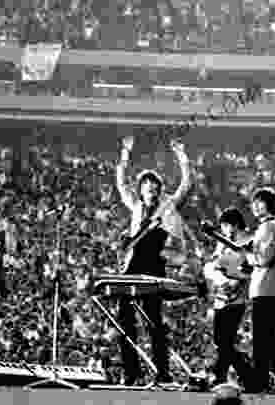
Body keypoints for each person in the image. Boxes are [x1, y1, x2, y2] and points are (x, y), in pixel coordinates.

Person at [115, 134, 191, 385]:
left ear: (159, 190)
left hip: (153, 267)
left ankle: (163, 373)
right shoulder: (135, 206)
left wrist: (181, 155)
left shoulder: (167, 205)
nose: (151, 191)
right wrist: (125, 156)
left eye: (155, 187)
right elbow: (121, 184)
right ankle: (131, 372)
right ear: (142, 190)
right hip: (132, 266)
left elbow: (185, 185)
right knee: (124, 319)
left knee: (153, 322)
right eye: (147, 188)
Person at [244, 187, 275, 393]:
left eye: (260, 202)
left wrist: (249, 256)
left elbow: (264, 258)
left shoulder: (269, 227)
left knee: (261, 338)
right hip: (266, 287)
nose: (255, 206)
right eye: (253, 202)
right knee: (267, 337)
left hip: (265, 287)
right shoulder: (271, 226)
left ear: (270, 204)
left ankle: (261, 380)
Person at [203, 207, 254, 389]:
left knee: (225, 341)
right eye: (223, 226)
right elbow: (214, 265)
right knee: (221, 341)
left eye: (228, 225)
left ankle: (238, 374)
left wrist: (234, 280)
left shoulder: (247, 243)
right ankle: (231, 375)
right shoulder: (222, 244)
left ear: (236, 225)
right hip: (220, 296)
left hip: (236, 298)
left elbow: (249, 269)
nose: (226, 230)